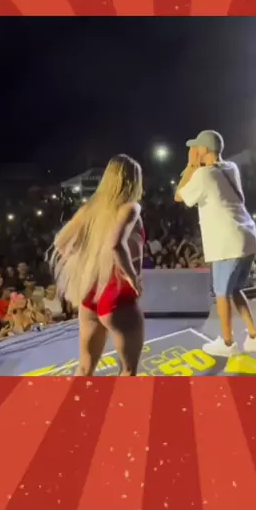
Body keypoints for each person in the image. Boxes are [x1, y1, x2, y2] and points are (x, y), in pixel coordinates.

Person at [51, 154, 145, 376]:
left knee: (85, 368)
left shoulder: (90, 209)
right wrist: (132, 278)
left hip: (91, 293)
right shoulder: (130, 208)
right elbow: (116, 245)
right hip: (117, 294)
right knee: (128, 371)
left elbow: (61, 243)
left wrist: (86, 264)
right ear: (134, 180)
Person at [175, 130, 256, 358]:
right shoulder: (231, 167)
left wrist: (191, 166)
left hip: (227, 242)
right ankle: (254, 337)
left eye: (195, 147)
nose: (192, 151)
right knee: (235, 290)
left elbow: (179, 196)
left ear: (203, 150)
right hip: (247, 236)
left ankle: (227, 342)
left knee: (222, 293)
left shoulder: (203, 174)